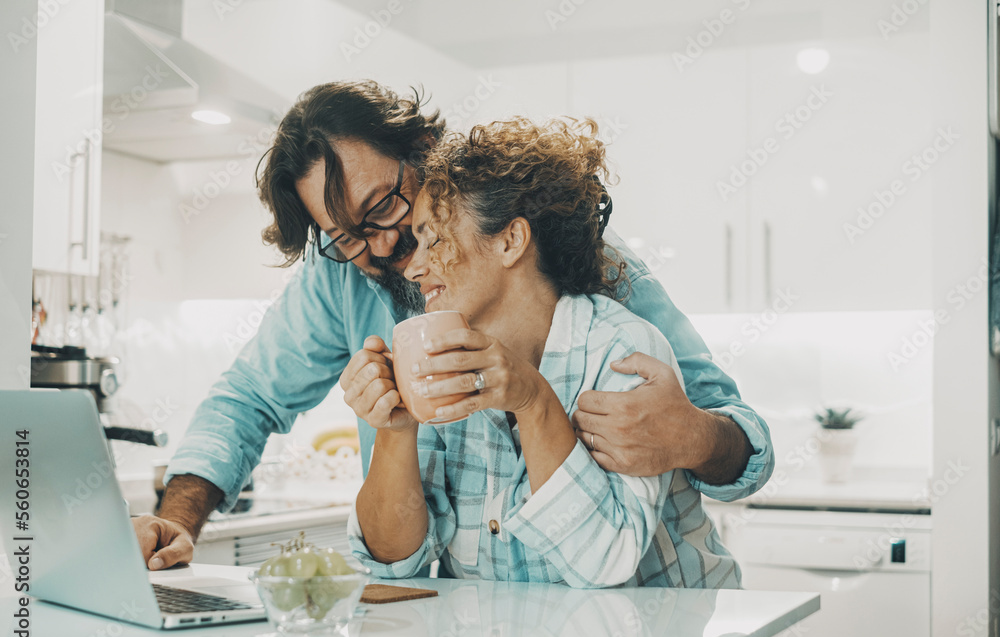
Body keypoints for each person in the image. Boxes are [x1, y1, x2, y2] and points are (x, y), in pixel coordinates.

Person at [133, 80, 773, 571]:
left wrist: (693, 435)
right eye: (346, 237)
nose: (381, 248)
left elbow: (743, 443)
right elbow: (248, 399)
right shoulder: (346, 280)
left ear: (425, 155)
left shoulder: (593, 278)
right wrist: (179, 521)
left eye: (383, 206)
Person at [345, 117, 740, 589]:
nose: (413, 268)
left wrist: (532, 399)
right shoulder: (438, 360)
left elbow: (606, 560)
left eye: (434, 239)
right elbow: (392, 563)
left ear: (510, 241)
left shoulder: (621, 350)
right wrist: (395, 430)